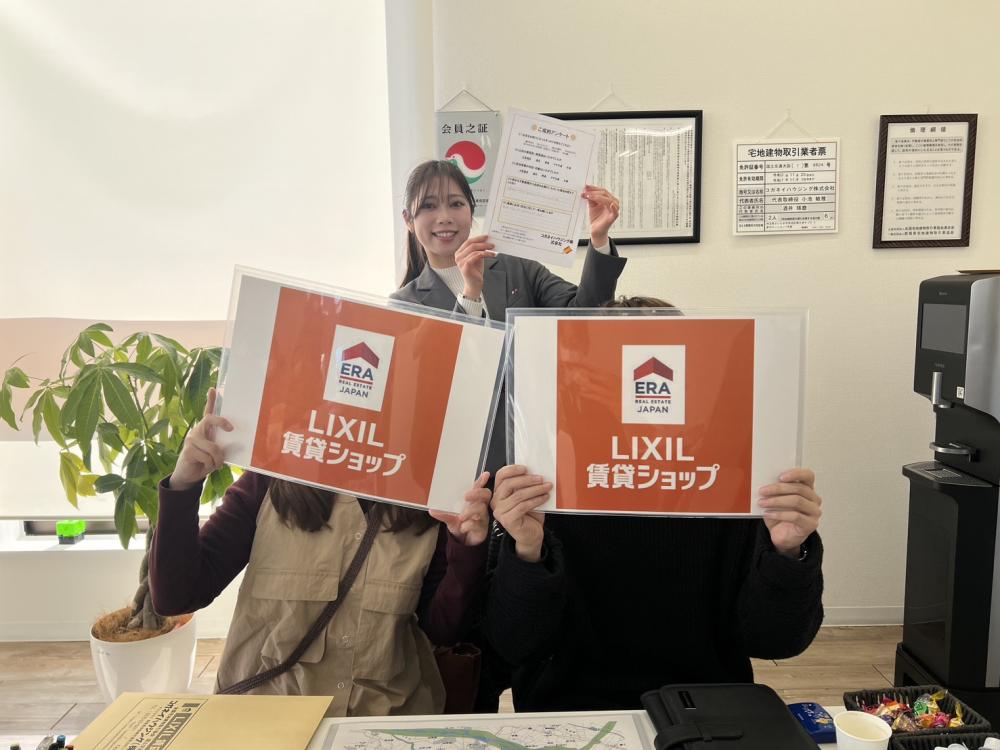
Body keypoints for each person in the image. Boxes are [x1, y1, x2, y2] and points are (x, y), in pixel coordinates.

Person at [485, 296, 825, 711]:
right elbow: (512, 643)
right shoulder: (545, 488)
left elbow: (777, 642)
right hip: (571, 710)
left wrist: (786, 552)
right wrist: (527, 552)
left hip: (707, 707)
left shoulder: (735, 486)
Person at [149, 388, 492, 717]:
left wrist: (466, 547)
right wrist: (184, 483)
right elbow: (177, 596)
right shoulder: (269, 482)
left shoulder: (429, 503)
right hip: (266, 718)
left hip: (383, 720)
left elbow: (441, 631)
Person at [391, 159, 627, 477]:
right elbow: (435, 386)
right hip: (460, 467)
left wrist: (598, 240)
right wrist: (470, 294)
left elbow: (583, 316)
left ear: (471, 211)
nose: (444, 217)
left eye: (456, 204)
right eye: (428, 206)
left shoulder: (517, 268)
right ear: (408, 220)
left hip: (537, 453)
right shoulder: (404, 305)